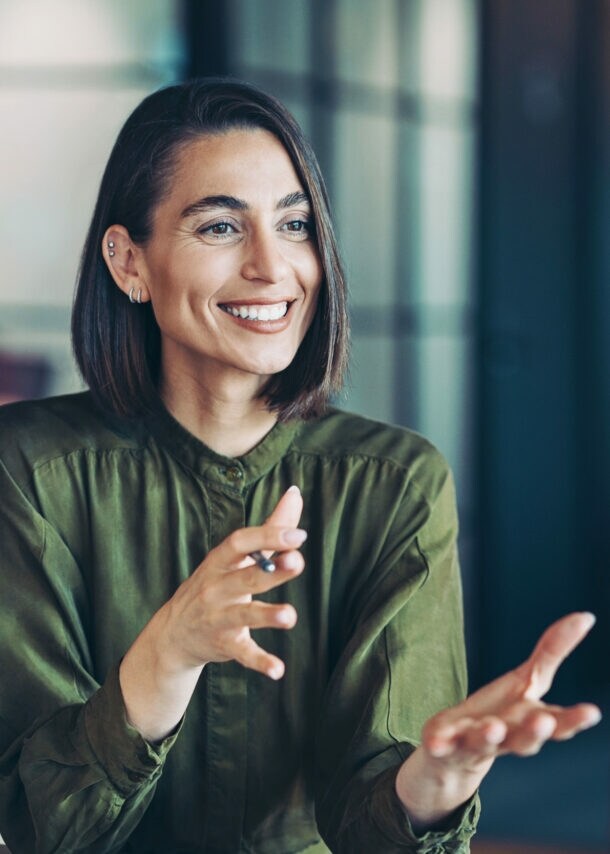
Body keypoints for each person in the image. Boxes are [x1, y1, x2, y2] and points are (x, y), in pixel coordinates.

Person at [0, 78, 600, 854]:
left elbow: (373, 827)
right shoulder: (29, 468)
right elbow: (41, 826)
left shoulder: (396, 483)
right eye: (220, 226)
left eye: (295, 224)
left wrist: (433, 787)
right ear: (129, 264)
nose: (272, 266)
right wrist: (169, 652)